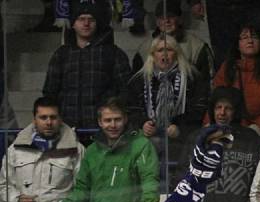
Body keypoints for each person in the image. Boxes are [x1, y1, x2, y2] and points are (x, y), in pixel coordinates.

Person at [45, 97, 160, 202]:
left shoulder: (141, 145)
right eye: (107, 120)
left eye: (117, 119)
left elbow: (149, 181)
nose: (113, 125)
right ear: (100, 122)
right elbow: (82, 189)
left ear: (125, 119)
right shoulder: (92, 151)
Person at [174, 86, 260, 202]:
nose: (222, 113)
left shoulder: (250, 139)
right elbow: (180, 176)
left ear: (236, 111)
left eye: (228, 108)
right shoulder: (198, 138)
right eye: (218, 107)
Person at [42, 0, 132, 134]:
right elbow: (50, 93)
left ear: (98, 23)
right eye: (81, 19)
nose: (86, 23)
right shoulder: (61, 54)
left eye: (91, 19)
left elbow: (126, 90)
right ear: (73, 23)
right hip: (68, 130)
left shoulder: (113, 54)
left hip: (104, 131)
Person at [0, 97, 84, 202]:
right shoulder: (15, 150)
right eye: (43, 117)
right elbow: (2, 186)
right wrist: (17, 200)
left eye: (53, 117)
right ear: (34, 119)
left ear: (60, 119)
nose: (48, 122)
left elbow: (82, 191)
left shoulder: (76, 150)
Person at [127, 34, 208, 153]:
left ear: (177, 54)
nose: (164, 54)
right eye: (160, 50)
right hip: (147, 141)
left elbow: (199, 108)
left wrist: (180, 127)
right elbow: (130, 108)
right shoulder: (138, 80)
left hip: (183, 141)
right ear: (153, 55)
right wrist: (143, 123)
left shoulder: (192, 78)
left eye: (169, 50)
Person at [211, 22, 260, 137]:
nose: (250, 41)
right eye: (245, 37)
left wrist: (258, 127)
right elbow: (214, 102)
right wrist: (208, 126)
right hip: (227, 129)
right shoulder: (227, 67)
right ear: (237, 44)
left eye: (254, 37)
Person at [132, 0, 215, 87]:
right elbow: (136, 84)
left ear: (180, 20)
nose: (167, 20)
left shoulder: (197, 47)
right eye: (162, 17)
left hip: (189, 97)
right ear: (157, 22)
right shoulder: (144, 49)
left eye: (171, 16)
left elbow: (209, 81)